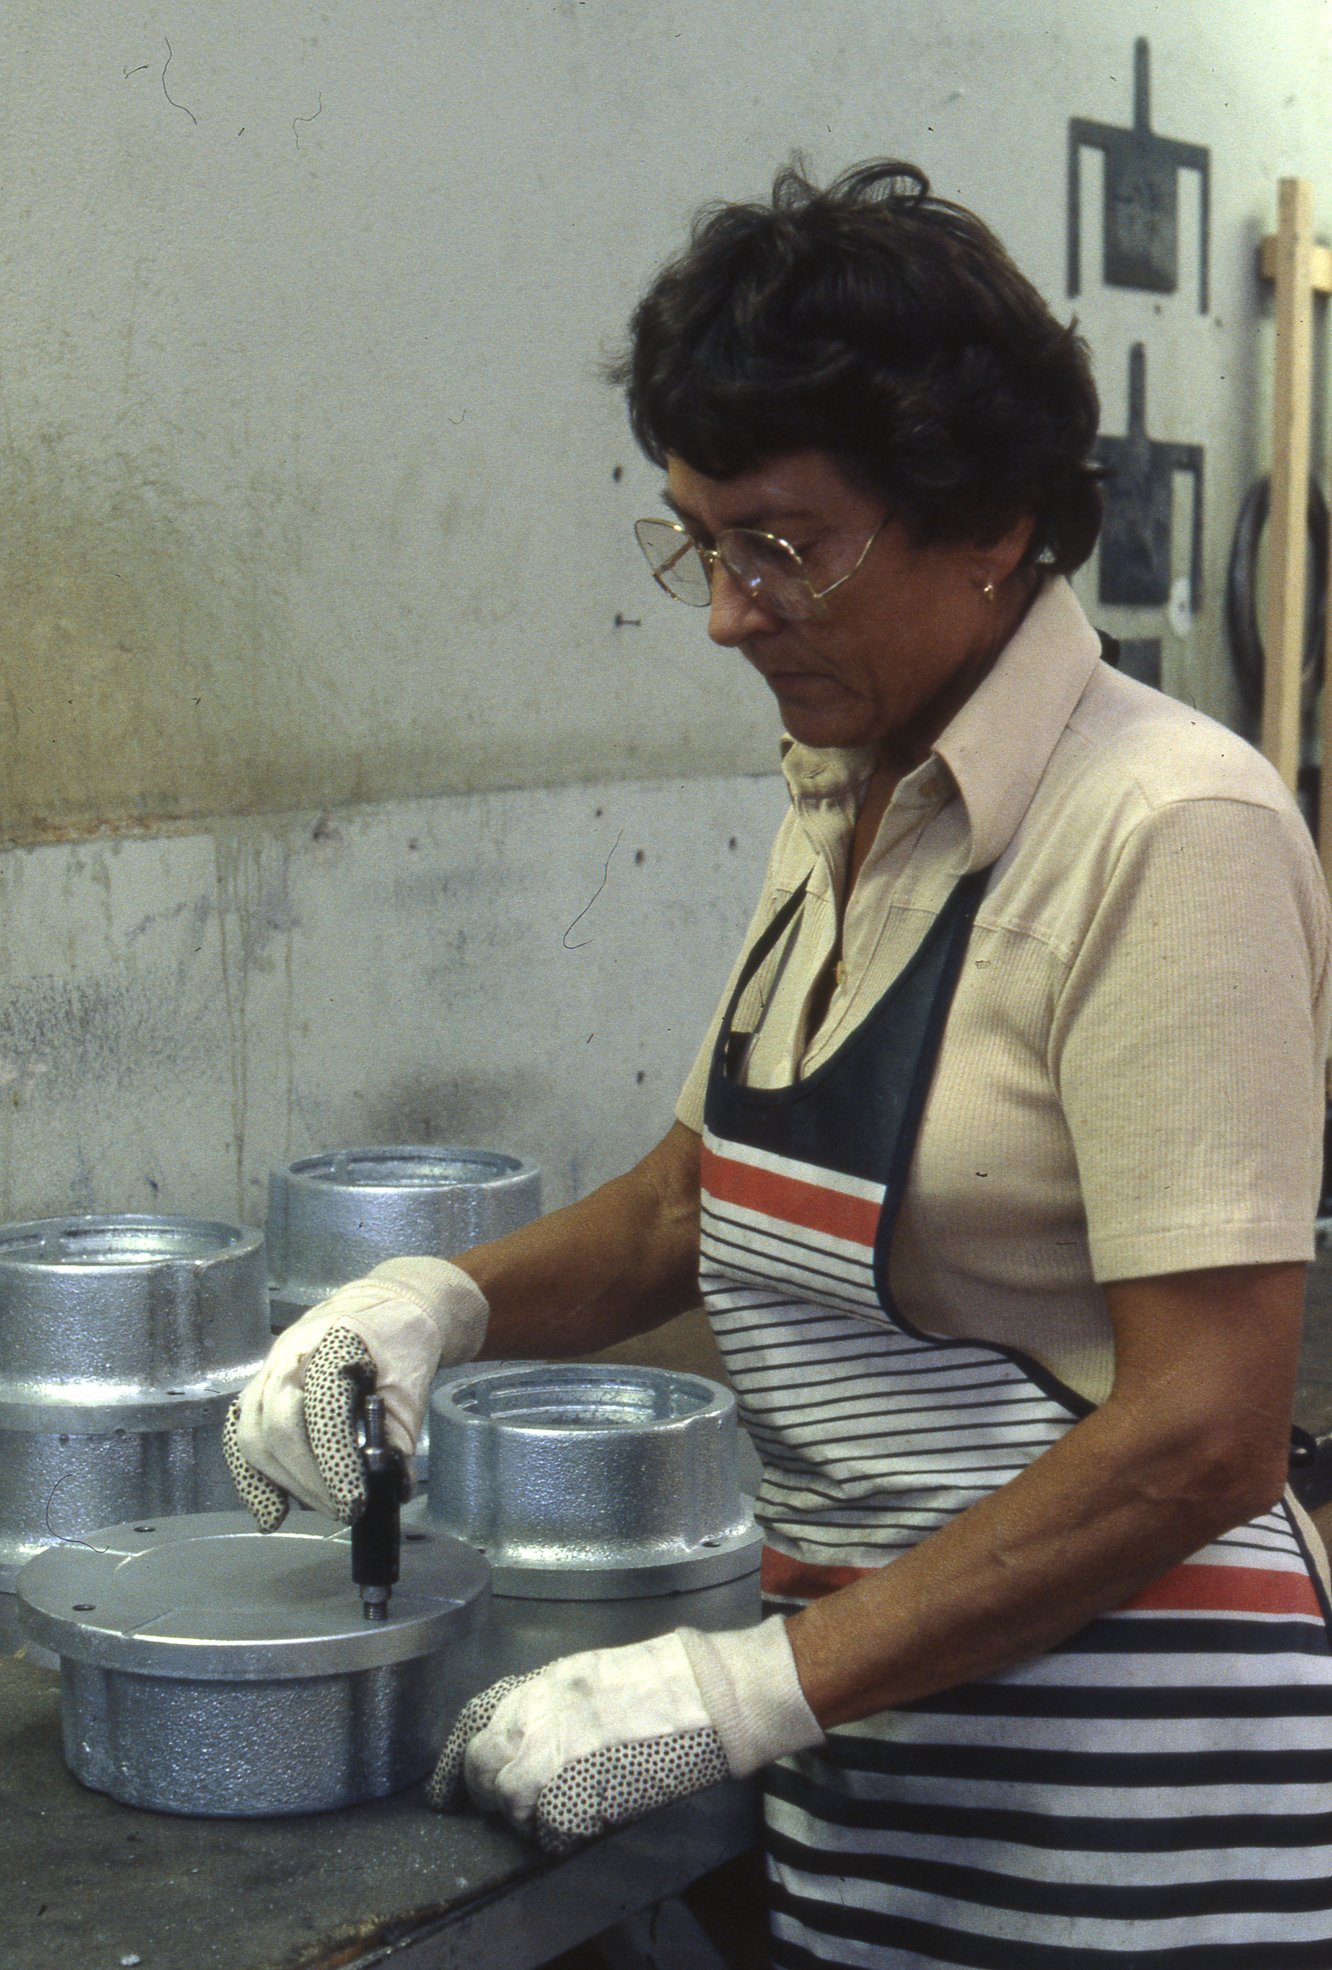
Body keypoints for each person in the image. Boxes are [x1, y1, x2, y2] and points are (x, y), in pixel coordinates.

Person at [225, 161, 1332, 1967]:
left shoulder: (1165, 829)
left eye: (782, 546)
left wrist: (744, 1688)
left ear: (984, 522)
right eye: (700, 539)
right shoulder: (849, 796)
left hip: (1136, 1820)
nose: (729, 611)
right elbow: (694, 1193)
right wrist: (422, 1302)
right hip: (887, 1773)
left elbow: (1203, 1427)